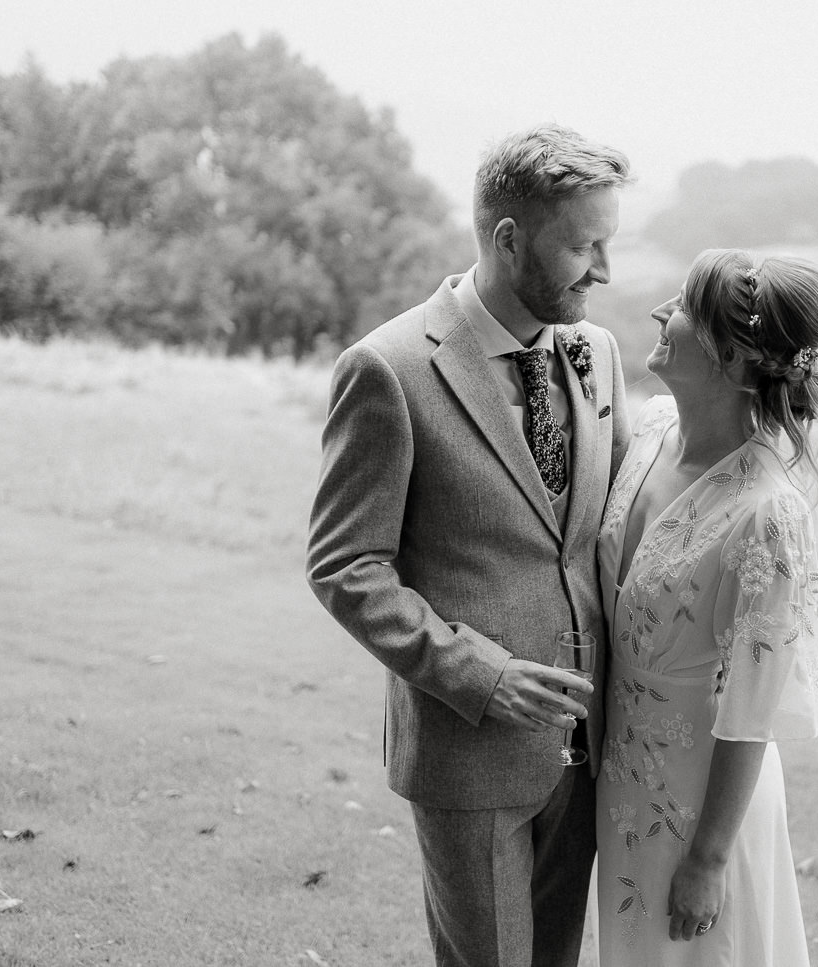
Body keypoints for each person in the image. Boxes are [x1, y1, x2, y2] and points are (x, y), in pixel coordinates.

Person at [306, 124, 632, 967]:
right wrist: (480, 673)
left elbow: (601, 531)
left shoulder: (596, 352)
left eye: (609, 242)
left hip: (589, 745)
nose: (604, 269)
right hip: (468, 753)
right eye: (583, 245)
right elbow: (346, 565)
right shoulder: (387, 369)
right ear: (508, 238)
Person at [595, 249, 818, 965]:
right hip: (625, 785)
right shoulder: (651, 430)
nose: (659, 314)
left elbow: (755, 706)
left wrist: (709, 857)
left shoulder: (768, 514)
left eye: (683, 310)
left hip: (704, 808)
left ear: (733, 360)